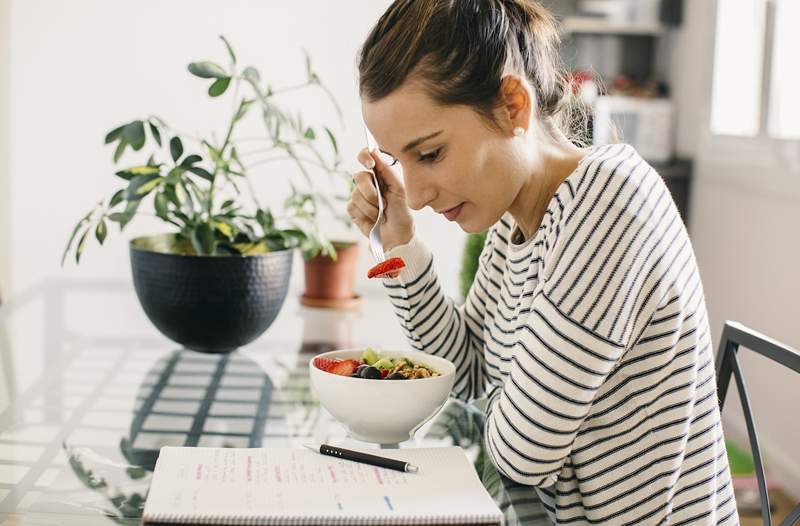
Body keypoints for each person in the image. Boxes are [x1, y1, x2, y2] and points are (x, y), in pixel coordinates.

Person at [346, 1, 738, 524]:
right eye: (400, 161)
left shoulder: (610, 205)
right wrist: (400, 244)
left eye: (431, 154)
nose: (415, 195)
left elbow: (522, 452)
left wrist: (509, 404)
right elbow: (467, 375)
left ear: (512, 105)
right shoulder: (516, 223)